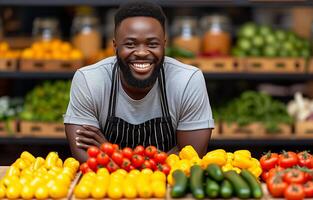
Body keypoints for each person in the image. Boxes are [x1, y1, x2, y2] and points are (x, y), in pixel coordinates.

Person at [64, 1, 214, 163]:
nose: (142, 52)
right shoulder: (90, 80)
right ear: (115, 46)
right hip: (110, 186)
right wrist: (165, 160)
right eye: (130, 44)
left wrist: (114, 155)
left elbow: (189, 158)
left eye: (152, 44)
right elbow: (85, 156)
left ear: (164, 45)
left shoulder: (186, 80)